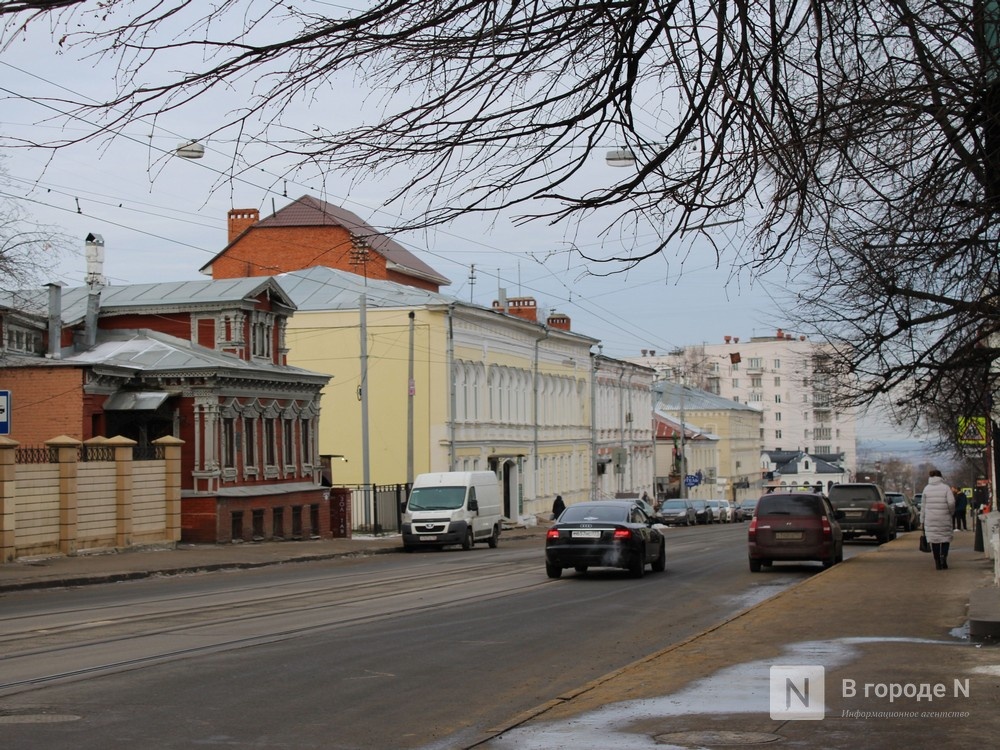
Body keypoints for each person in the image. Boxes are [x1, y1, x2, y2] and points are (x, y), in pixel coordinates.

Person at [921, 469, 955, 570]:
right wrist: (951, 512)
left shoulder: (926, 489)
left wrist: (922, 520)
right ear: (940, 477)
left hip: (930, 519)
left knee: (934, 540)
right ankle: (943, 558)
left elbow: (923, 507)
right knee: (945, 539)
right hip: (944, 517)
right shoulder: (946, 488)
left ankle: (937, 562)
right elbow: (952, 502)